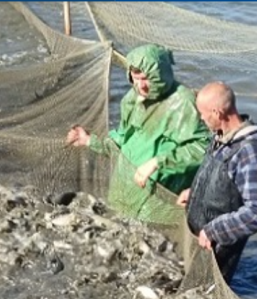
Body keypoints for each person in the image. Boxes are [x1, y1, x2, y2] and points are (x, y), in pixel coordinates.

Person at [66, 44, 209, 222]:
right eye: (135, 78)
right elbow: (124, 140)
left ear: (160, 75)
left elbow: (203, 149)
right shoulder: (131, 99)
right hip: (123, 190)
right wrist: (89, 141)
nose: (141, 86)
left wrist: (158, 162)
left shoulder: (182, 103)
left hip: (157, 201)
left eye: (146, 79)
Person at [176, 81, 257, 284]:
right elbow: (217, 177)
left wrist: (215, 231)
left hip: (218, 247)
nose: (201, 118)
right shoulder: (221, 136)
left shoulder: (249, 152)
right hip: (199, 240)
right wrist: (193, 192)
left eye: (203, 113)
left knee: (205, 294)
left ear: (218, 113)